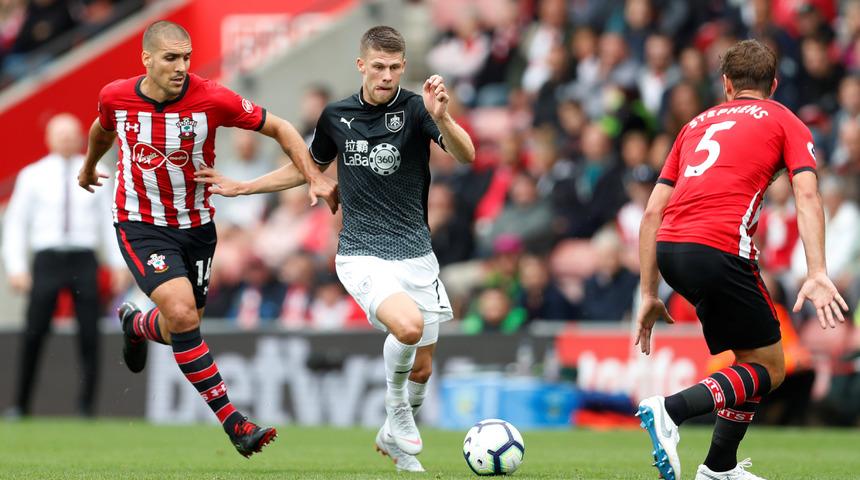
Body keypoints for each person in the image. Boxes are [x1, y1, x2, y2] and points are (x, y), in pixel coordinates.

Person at [194, 26, 475, 472]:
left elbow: (467, 155)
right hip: (361, 251)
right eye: (378, 67)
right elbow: (307, 167)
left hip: (417, 253)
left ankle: (392, 435)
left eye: (395, 68)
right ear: (361, 65)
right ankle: (396, 409)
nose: (386, 76)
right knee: (407, 327)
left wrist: (443, 119)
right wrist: (245, 187)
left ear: (403, 67)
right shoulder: (336, 116)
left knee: (422, 369)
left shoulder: (419, 110)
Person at [77, 20, 337, 457]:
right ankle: (235, 424)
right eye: (170, 58)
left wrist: (312, 176)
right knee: (181, 312)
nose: (181, 67)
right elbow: (103, 129)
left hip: (197, 227)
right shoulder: (116, 95)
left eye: (186, 58)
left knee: (186, 320)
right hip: (141, 223)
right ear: (146, 59)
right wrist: (88, 167)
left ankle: (136, 325)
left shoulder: (213, 98)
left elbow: (282, 129)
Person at [634, 39, 848, 480]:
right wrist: (817, 271)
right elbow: (807, 193)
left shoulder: (695, 124)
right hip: (720, 248)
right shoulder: (785, 120)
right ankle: (671, 411)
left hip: (671, 250)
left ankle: (719, 468)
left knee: (752, 361)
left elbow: (653, 210)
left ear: (727, 85)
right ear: (773, 83)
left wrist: (649, 293)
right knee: (772, 367)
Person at [2, 113, 126, 419]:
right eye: (61, 134)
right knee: (34, 332)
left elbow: (109, 222)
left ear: (81, 136)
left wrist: (119, 263)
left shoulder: (99, 170)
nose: (67, 139)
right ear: (49, 138)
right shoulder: (33, 175)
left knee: (89, 333)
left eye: (72, 134)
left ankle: (87, 406)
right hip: (47, 259)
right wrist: (16, 267)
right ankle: (21, 403)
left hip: (84, 258)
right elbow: (16, 224)